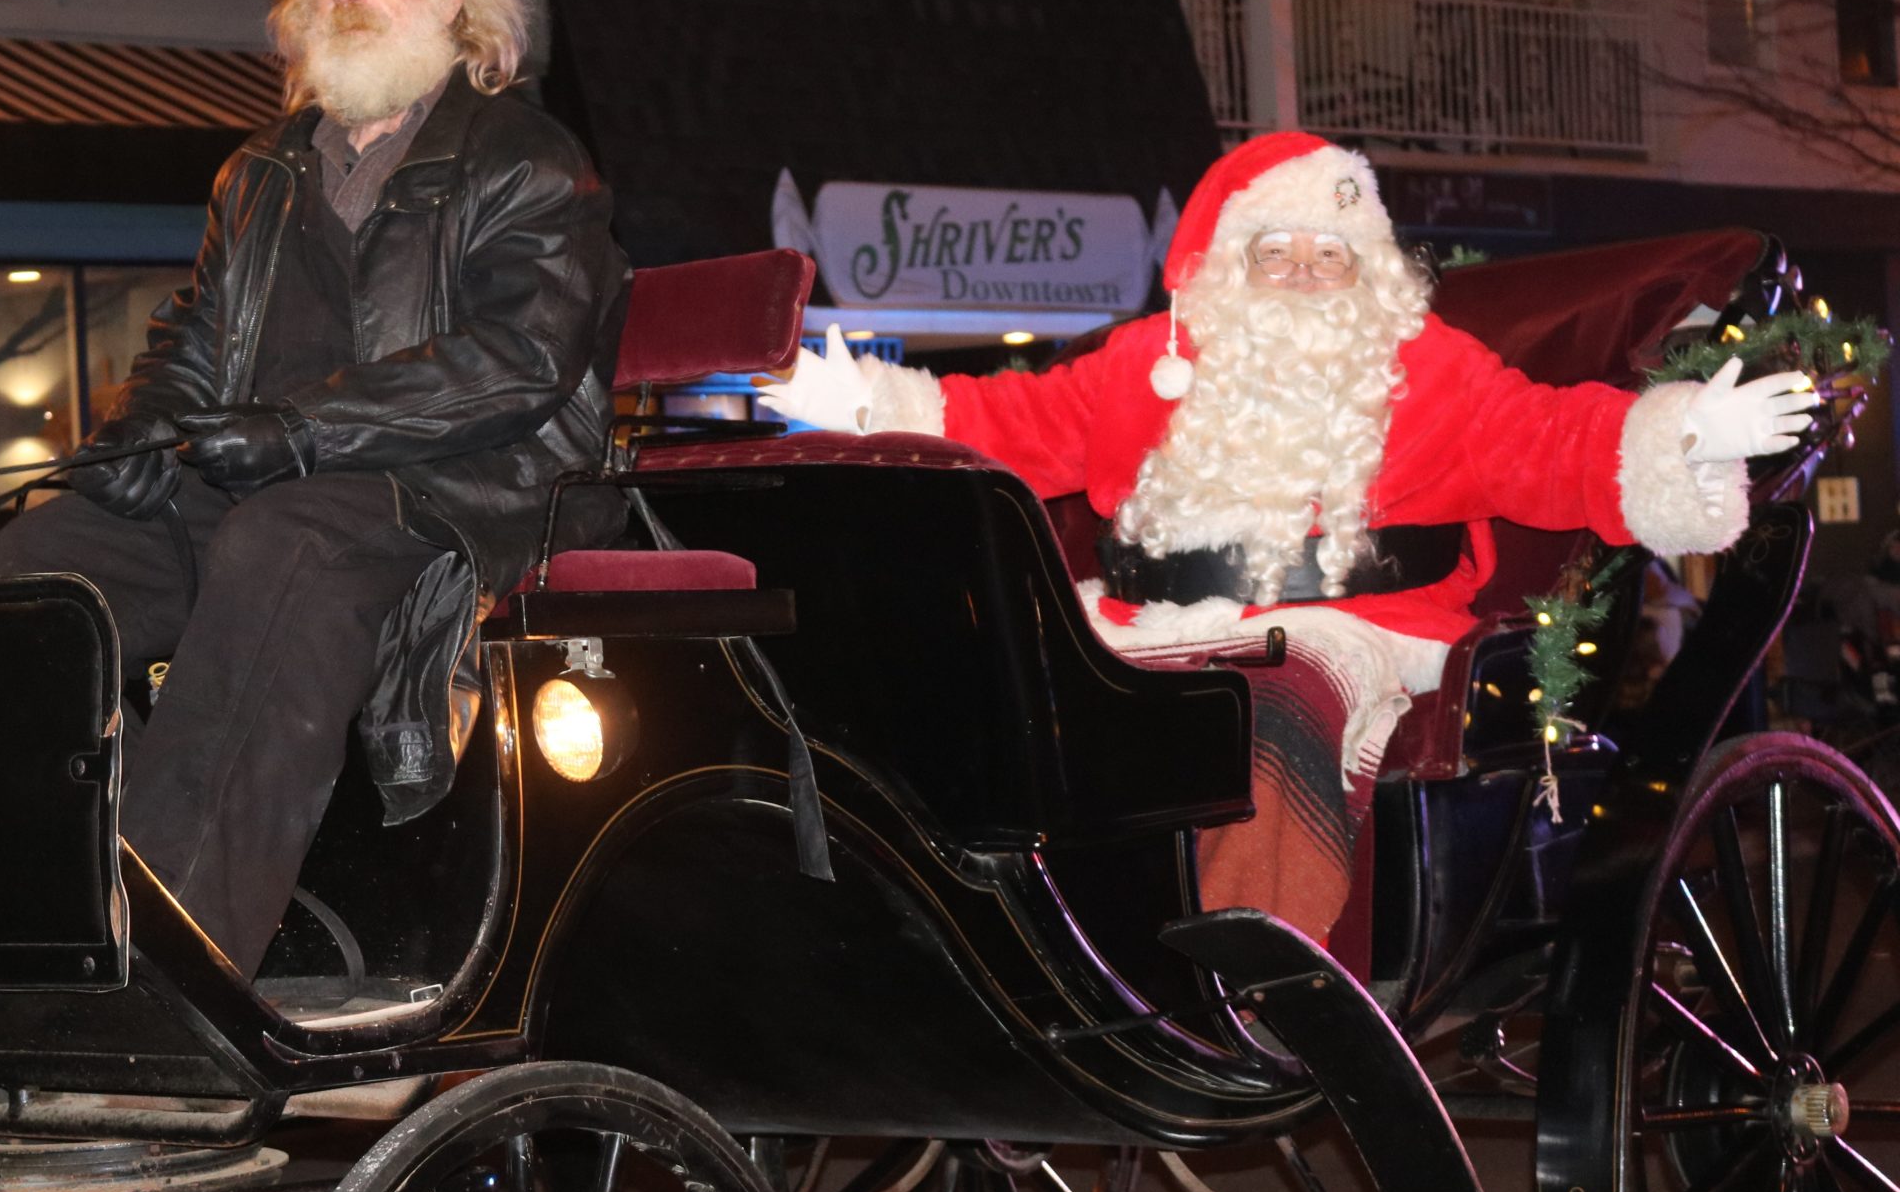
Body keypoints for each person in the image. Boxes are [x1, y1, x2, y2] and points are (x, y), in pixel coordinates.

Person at [762, 131, 1811, 942]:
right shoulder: (1142, 364)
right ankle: (1006, 969)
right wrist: (861, 400)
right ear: (1226, 266)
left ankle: (1259, 973)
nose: (1306, 272)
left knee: (1266, 707)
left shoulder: (1425, 367)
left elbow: (1542, 440)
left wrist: (1680, 437)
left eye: (1331, 250)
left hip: (1349, 630)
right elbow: (1002, 428)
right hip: (1139, 624)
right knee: (987, 698)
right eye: (1276, 250)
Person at [0, 0, 628, 981]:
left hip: (463, 490)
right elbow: (197, 337)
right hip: (260, 480)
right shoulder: (262, 172)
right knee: (36, 566)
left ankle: (170, 963)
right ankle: (10, 918)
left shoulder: (524, 158)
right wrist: (134, 437)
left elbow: (517, 363)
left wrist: (300, 432)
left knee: (286, 546)